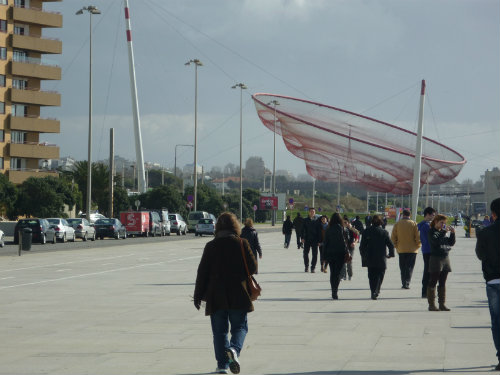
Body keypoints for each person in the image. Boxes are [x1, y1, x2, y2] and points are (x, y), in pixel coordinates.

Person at [193, 212, 258, 374]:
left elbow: (202, 273)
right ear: (235, 226)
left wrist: (197, 296)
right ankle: (234, 350)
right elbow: (253, 268)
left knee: (219, 331)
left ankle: (222, 365)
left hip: (216, 295)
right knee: (240, 327)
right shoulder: (242, 243)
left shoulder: (210, 246)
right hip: (239, 294)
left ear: (217, 227)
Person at [475, 198, 500, 371]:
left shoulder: (485, 232)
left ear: (493, 214)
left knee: (497, 321)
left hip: (493, 280)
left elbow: (480, 254)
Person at [359, 215, 395, 300]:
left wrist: (363, 255)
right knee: (380, 275)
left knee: (371, 275)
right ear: (381, 222)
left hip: (370, 257)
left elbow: (362, 246)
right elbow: (390, 245)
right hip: (381, 257)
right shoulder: (384, 232)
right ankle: (377, 290)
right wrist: (391, 254)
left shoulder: (366, 231)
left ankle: (373, 291)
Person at [427, 214, 455, 312]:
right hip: (436, 258)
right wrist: (443, 232)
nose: (443, 224)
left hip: (445, 257)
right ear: (436, 222)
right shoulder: (432, 232)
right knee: (433, 281)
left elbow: (451, 243)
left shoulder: (443, 232)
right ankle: (431, 304)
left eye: (444, 223)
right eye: (441, 222)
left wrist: (452, 233)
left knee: (443, 281)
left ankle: (442, 303)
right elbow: (435, 241)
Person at [391, 209, 421, 289]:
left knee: (403, 267)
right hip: (412, 250)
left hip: (401, 249)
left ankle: (403, 281)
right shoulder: (414, 224)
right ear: (409, 215)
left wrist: (396, 246)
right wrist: (418, 245)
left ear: (402, 215)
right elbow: (418, 237)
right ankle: (407, 282)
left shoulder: (397, 224)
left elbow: (393, 237)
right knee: (410, 267)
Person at [323, 213, 349, 299]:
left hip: (330, 253)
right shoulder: (342, 228)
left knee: (332, 272)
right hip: (340, 253)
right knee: (337, 273)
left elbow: (325, 243)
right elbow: (345, 242)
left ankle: (333, 290)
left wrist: (323, 256)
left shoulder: (328, 229)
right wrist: (346, 251)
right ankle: (335, 291)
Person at [418, 207, 436, 298]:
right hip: (430, 250)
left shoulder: (420, 224)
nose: (434, 217)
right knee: (429, 272)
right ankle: (426, 291)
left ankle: (425, 291)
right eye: (433, 215)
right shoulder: (427, 225)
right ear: (428, 215)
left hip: (425, 249)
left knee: (427, 271)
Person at [301, 208, 321, 273]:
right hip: (307, 239)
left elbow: (319, 231)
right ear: (309, 212)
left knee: (315, 254)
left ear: (315, 212)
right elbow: (302, 230)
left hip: (315, 240)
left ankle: (313, 268)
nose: (312, 212)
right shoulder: (305, 220)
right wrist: (302, 238)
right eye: (311, 211)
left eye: (313, 211)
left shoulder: (318, 220)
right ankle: (306, 266)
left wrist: (319, 240)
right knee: (305, 253)